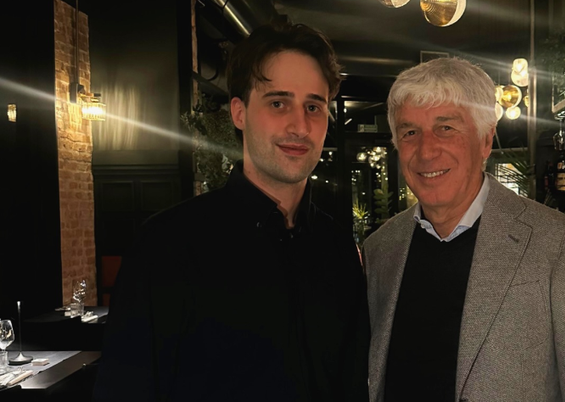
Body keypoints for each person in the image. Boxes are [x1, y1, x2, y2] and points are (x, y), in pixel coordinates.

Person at [93, 22, 369, 402]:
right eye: (278, 103)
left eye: (313, 107)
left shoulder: (337, 249)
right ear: (239, 113)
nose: (300, 126)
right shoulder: (167, 246)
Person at [362, 57, 565, 402]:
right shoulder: (381, 248)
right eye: (410, 132)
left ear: (485, 140)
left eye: (446, 128)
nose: (426, 150)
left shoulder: (562, 245)